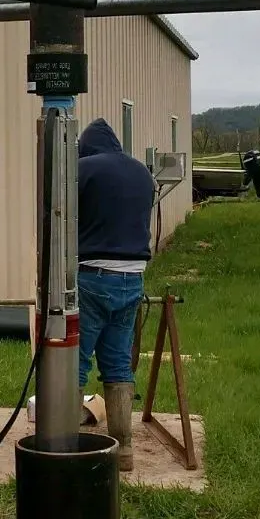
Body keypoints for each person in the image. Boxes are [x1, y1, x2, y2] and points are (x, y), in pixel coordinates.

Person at [77, 118, 155, 472]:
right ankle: (123, 451)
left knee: (73, 362)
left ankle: (62, 446)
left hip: (92, 277)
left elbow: (60, 217)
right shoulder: (142, 173)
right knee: (119, 363)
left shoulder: (83, 169)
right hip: (132, 280)